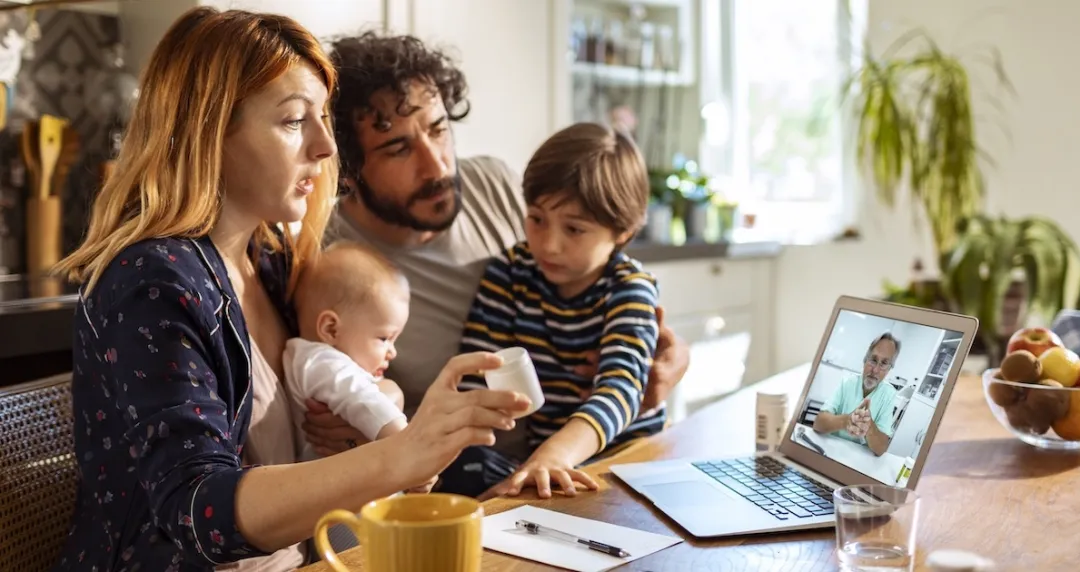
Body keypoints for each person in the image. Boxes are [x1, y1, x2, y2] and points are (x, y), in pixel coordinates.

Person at [51, 8, 528, 571]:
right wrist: (400, 455)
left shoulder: (272, 260)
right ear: (211, 131)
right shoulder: (152, 282)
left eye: (322, 118)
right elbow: (195, 511)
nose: (326, 147)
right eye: (294, 120)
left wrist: (381, 409)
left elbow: (342, 383)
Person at [314, 32, 691, 483]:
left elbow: (624, 348)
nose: (436, 167)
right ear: (348, 170)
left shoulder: (492, 183)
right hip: (464, 466)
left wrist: (669, 357)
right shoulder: (326, 259)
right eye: (398, 149)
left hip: (598, 454)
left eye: (438, 130)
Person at [438, 122, 666, 499]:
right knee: (465, 466)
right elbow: (477, 378)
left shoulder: (629, 288)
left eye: (574, 230)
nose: (549, 244)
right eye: (537, 219)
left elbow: (621, 389)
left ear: (622, 232)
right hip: (545, 465)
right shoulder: (509, 273)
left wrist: (555, 455)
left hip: (626, 461)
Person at [284, 241, 411, 460]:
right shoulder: (320, 362)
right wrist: (413, 451)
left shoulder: (316, 359)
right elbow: (367, 402)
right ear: (331, 329)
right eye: (384, 338)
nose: (392, 352)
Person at [813, 332, 901, 455]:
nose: (875, 370)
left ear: (889, 369)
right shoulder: (847, 382)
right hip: (831, 450)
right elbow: (818, 423)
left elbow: (881, 449)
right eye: (873, 360)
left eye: (884, 363)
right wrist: (846, 421)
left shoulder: (889, 394)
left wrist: (869, 427)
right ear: (865, 360)